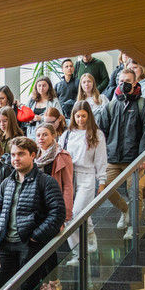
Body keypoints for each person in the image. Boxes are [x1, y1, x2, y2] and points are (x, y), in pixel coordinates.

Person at [0, 137, 66, 290]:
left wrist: (36, 236)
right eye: (13, 154)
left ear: (33, 155)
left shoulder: (45, 181)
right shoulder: (7, 182)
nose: (16, 158)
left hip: (29, 244)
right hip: (6, 244)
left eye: (21, 154)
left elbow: (57, 214)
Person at [97, 68, 145, 239]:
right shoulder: (110, 106)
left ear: (135, 83)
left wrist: (143, 157)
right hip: (112, 158)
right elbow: (102, 133)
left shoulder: (143, 105)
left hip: (135, 159)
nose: (123, 84)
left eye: (127, 81)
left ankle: (133, 227)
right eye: (121, 81)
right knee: (105, 188)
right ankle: (125, 210)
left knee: (134, 192)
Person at [59, 101, 108, 256]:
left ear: (89, 116)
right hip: (69, 175)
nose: (80, 119)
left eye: (84, 116)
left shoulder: (97, 134)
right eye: (77, 116)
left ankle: (90, 233)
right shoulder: (67, 134)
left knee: (78, 211)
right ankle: (78, 252)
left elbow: (101, 159)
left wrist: (102, 181)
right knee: (67, 215)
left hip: (87, 175)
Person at [34, 124, 74, 290]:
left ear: (53, 136)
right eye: (38, 135)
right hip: (36, 209)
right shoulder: (35, 157)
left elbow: (67, 186)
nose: (41, 138)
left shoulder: (61, 155)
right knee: (38, 248)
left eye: (45, 135)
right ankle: (44, 282)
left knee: (50, 248)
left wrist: (64, 213)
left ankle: (55, 282)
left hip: (53, 209)